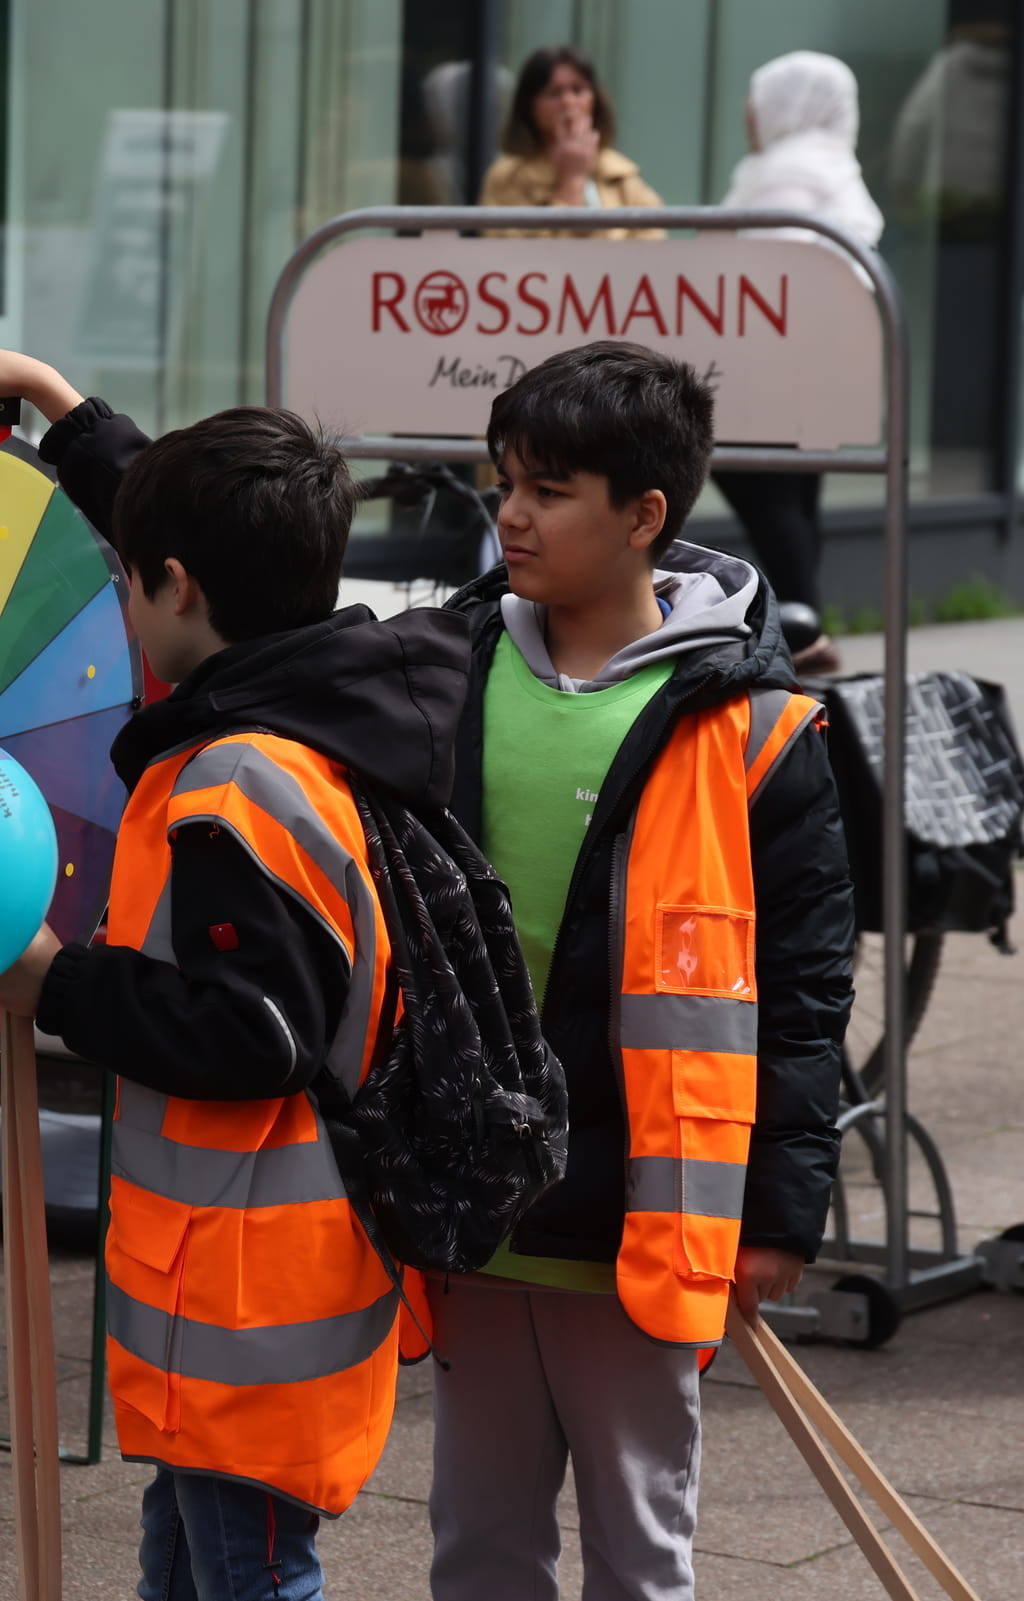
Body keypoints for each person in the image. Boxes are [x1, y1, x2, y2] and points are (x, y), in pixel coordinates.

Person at [0, 330, 468, 1601]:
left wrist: (57, 981)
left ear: (173, 588)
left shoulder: (230, 783)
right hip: (231, 1297)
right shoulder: (327, 692)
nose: (118, 597)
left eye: (126, 577)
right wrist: (61, 403)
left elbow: (253, 1031)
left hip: (255, 1307)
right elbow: (198, 534)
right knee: (189, 1558)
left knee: (252, 1575)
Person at [427, 342, 852, 1600]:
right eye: (504, 481)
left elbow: (807, 985)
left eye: (550, 488)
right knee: (479, 1550)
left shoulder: (756, 724)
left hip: (646, 1219)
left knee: (638, 1557)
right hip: (476, 1213)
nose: (511, 512)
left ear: (644, 516)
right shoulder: (445, 669)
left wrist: (779, 1208)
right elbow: (240, 605)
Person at [713, 51, 885, 672]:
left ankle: (803, 625)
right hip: (822, 360)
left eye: (755, 100)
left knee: (764, 484)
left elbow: (766, 278)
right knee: (794, 492)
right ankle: (805, 621)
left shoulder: (787, 174)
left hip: (778, 359)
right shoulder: (829, 165)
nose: (746, 114)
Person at [480, 46, 662, 237]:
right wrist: (571, 182)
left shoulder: (621, 174)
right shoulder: (506, 178)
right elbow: (515, 257)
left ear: (595, 99)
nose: (567, 102)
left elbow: (652, 251)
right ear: (529, 106)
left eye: (578, 90)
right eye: (553, 92)